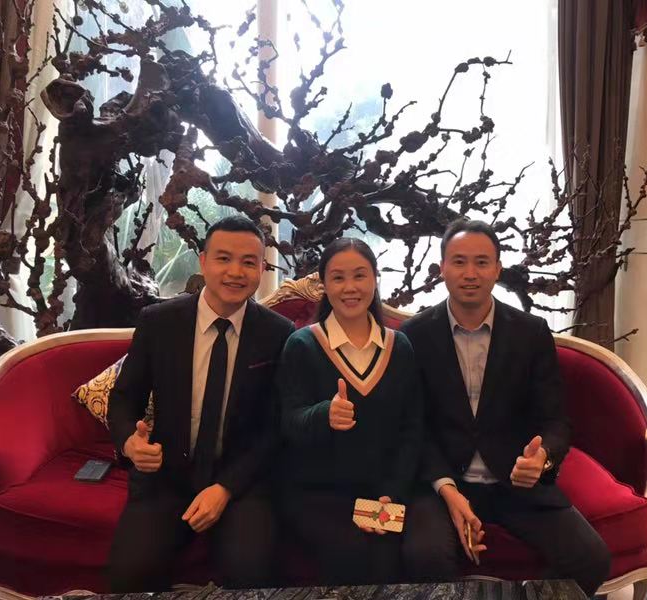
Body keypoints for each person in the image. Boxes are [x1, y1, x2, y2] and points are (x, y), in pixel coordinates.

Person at [400, 219, 610, 597]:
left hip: (515, 483)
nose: (470, 273)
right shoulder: (414, 335)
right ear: (442, 268)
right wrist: (447, 488)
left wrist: (542, 458)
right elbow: (413, 427)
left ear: (497, 269)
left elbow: (555, 420)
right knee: (423, 557)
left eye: (482, 262)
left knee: (590, 557)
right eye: (459, 261)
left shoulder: (531, 332)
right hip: (444, 484)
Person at [107, 215, 295, 592]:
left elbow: (275, 427)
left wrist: (225, 487)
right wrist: (130, 442)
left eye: (248, 262)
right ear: (203, 261)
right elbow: (124, 397)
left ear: (262, 269)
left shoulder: (278, 333)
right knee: (129, 576)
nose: (235, 272)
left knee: (253, 575)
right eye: (223, 258)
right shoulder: (158, 322)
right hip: (167, 475)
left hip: (241, 480)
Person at [276, 237, 423, 585]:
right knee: (350, 556)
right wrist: (323, 414)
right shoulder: (302, 344)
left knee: (386, 563)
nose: (350, 287)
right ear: (324, 285)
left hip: (379, 492)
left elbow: (412, 430)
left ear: (374, 279)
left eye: (360, 275)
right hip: (316, 494)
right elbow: (286, 423)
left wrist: (393, 493)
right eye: (338, 277)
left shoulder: (399, 346)